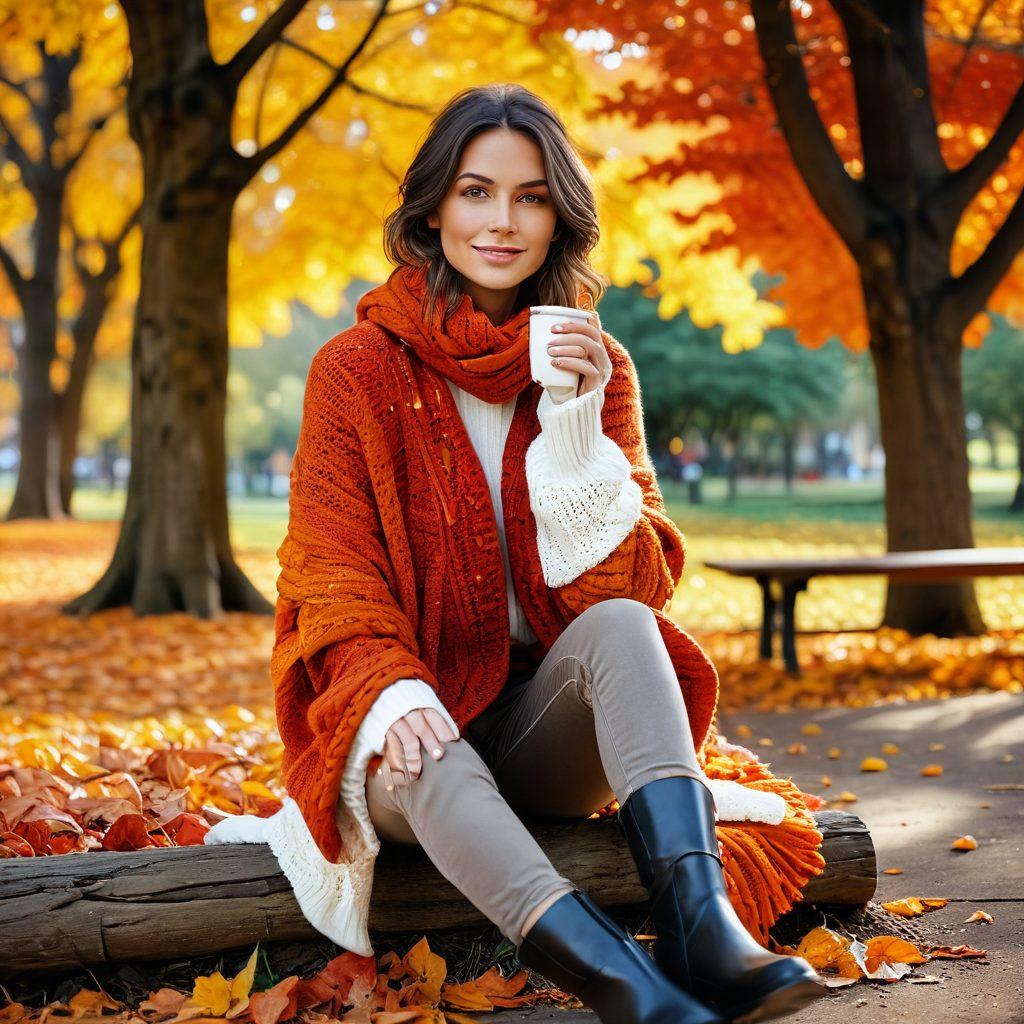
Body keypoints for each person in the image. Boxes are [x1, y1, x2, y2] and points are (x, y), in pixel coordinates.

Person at [207, 84, 824, 1024]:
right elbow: (329, 574)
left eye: (531, 198)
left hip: (541, 731)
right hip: (408, 740)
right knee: (423, 740)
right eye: (476, 192)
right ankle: (621, 981)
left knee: (625, 627)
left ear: (558, 218)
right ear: (433, 208)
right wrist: (389, 691)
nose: (502, 221)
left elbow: (637, 590)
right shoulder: (355, 371)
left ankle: (703, 929)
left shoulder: (597, 368)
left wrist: (575, 431)